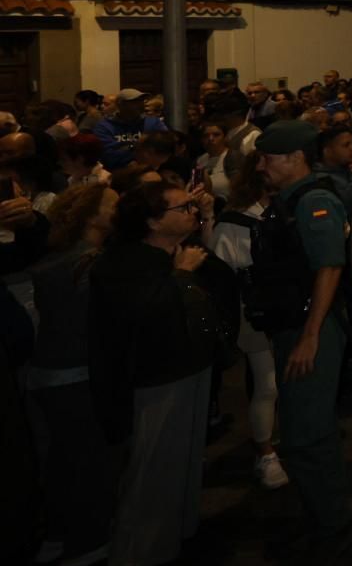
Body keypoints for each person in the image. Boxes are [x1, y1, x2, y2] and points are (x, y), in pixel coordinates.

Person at [89, 179, 221, 566]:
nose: (191, 212)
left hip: (190, 368)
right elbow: (142, 317)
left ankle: (177, 539)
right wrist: (180, 276)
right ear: (151, 222)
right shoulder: (122, 262)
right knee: (153, 473)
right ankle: (140, 554)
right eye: (182, 208)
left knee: (183, 463)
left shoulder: (179, 250)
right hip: (156, 379)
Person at [253, 120, 352, 558]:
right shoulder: (290, 199)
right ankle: (321, 519)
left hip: (311, 328)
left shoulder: (313, 201)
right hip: (296, 325)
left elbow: (328, 267)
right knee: (303, 429)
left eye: (268, 158)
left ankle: (332, 532)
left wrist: (311, 335)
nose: (261, 165)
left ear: (296, 158)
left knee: (307, 436)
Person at [27, 184, 119, 565]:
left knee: (61, 462)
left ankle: (58, 534)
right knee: (88, 463)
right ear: (92, 216)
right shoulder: (90, 264)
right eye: (113, 205)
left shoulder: (55, 259)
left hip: (48, 374)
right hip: (78, 374)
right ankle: (88, 542)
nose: (120, 211)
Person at [207, 156, 291, 489]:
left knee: (284, 380)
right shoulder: (234, 222)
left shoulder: (288, 210)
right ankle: (265, 453)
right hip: (253, 311)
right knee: (266, 383)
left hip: (287, 308)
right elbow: (221, 272)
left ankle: (277, 437)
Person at [93, 89, 167, 172]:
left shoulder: (153, 122)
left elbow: (165, 146)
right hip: (117, 173)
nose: (140, 105)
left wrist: (126, 148)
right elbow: (108, 155)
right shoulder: (104, 126)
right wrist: (137, 150)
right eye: (135, 102)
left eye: (141, 101)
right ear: (120, 104)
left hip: (151, 170)